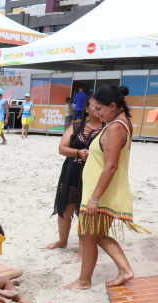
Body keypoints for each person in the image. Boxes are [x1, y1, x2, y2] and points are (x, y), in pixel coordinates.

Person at [66, 84, 148, 290]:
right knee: (99, 236)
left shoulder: (115, 127)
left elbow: (111, 166)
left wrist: (94, 199)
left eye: (99, 109)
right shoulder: (118, 122)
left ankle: (84, 281)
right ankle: (125, 270)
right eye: (93, 108)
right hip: (101, 191)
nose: (95, 113)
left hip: (100, 194)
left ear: (112, 106)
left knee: (89, 237)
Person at [47, 97, 102, 253]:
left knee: (86, 211)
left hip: (94, 174)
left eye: (100, 107)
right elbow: (62, 148)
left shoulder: (107, 128)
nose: (97, 109)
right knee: (65, 207)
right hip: (72, 171)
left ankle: (83, 248)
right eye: (94, 107)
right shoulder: (77, 126)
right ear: (86, 110)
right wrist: (78, 152)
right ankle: (62, 240)